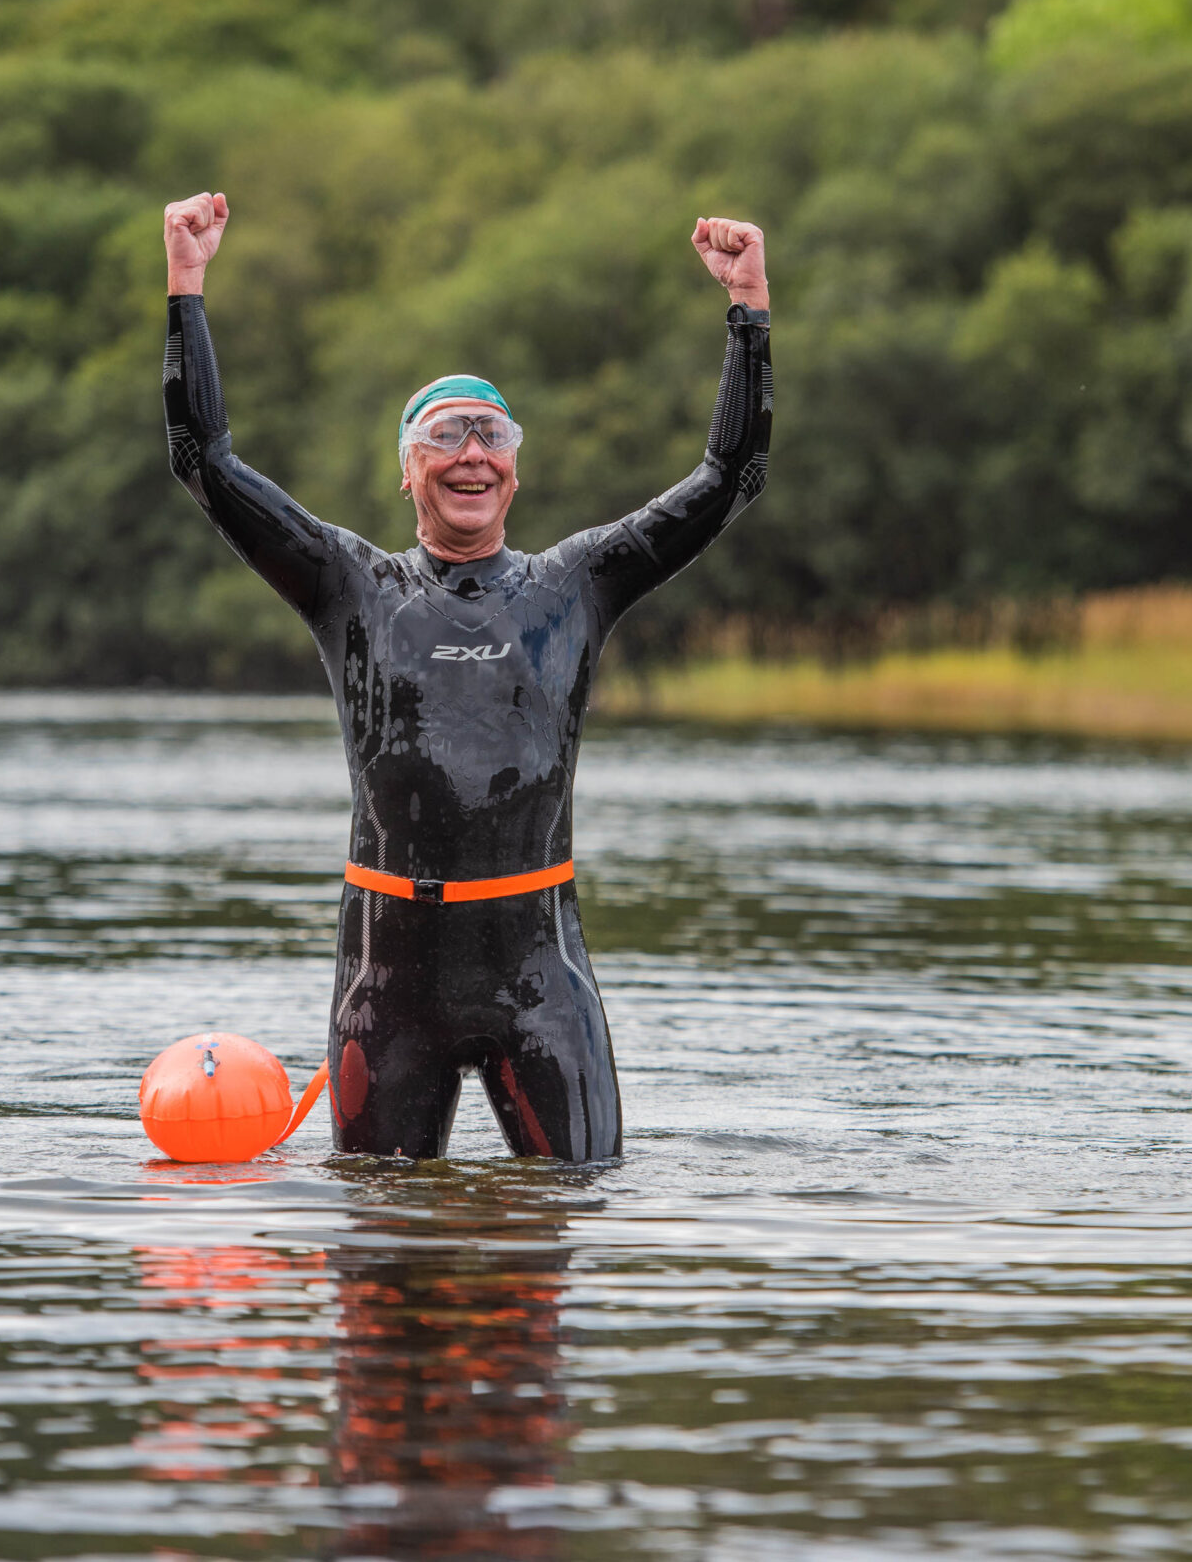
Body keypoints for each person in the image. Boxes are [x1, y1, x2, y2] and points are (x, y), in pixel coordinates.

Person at [158, 190, 773, 1162]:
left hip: (538, 973)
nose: (471, 454)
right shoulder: (350, 586)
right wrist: (186, 285)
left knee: (565, 1221)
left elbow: (729, 475)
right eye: (444, 436)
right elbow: (203, 460)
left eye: (491, 435)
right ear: (407, 470)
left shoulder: (575, 584)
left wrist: (748, 308)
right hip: (386, 982)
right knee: (381, 1257)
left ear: (515, 471)